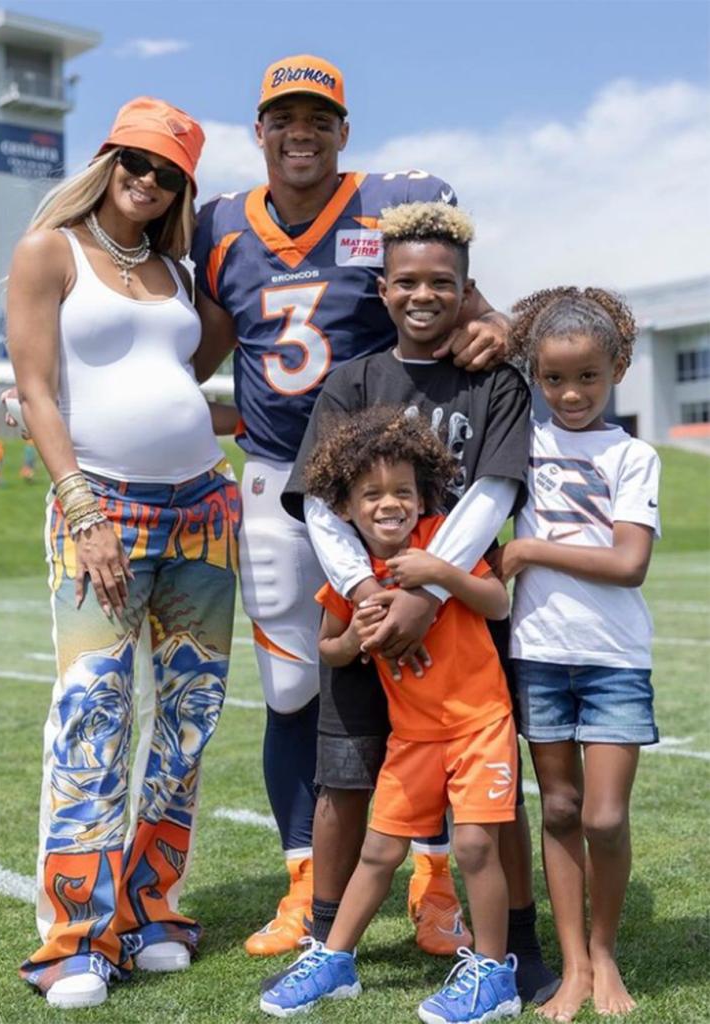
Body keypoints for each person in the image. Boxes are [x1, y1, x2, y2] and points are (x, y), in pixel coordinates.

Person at [191, 52, 513, 959]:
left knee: (438, 681)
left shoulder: (391, 206)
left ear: (344, 131)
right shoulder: (221, 225)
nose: (302, 133)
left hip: (392, 489)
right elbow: (218, 344)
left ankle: (435, 877)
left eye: (319, 119)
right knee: (294, 685)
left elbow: (473, 312)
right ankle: (305, 882)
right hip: (271, 477)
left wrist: (498, 328)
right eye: (284, 119)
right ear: (259, 131)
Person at [279, 201, 556, 1003]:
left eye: (443, 282)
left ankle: (519, 952)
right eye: (407, 282)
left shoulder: (494, 382)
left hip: (457, 619)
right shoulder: (352, 381)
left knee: (490, 803)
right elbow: (322, 504)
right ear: (384, 287)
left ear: (468, 289)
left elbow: (494, 491)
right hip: (367, 612)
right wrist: (367, 591)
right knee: (347, 779)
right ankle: (328, 943)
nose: (423, 295)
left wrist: (428, 590)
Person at [6, 97, 241, 1010]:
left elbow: (182, 376)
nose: (147, 182)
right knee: (92, 715)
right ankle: (74, 939)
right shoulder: (48, 252)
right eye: (135, 163)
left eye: (168, 174)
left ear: (184, 188)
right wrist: (79, 505)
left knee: (189, 720)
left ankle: (150, 910)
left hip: (204, 511)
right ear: (108, 160)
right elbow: (35, 390)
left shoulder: (181, 275)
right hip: (100, 510)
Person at [261, 407, 521, 1024]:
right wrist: (353, 640)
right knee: (379, 852)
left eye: (402, 491)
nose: (389, 504)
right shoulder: (348, 576)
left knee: (476, 844)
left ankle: (493, 973)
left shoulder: (441, 541)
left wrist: (440, 575)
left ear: (422, 494)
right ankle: (334, 959)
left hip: (480, 723)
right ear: (346, 508)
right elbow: (329, 646)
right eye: (371, 494)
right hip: (413, 738)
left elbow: (497, 600)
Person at [487, 287, 660, 1021]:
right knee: (556, 807)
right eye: (553, 378)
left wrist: (528, 548)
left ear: (616, 368)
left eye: (587, 376)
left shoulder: (634, 455)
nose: (570, 392)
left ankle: (607, 948)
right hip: (539, 654)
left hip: (615, 657)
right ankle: (576, 966)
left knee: (603, 818)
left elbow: (628, 564)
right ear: (535, 374)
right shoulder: (521, 442)